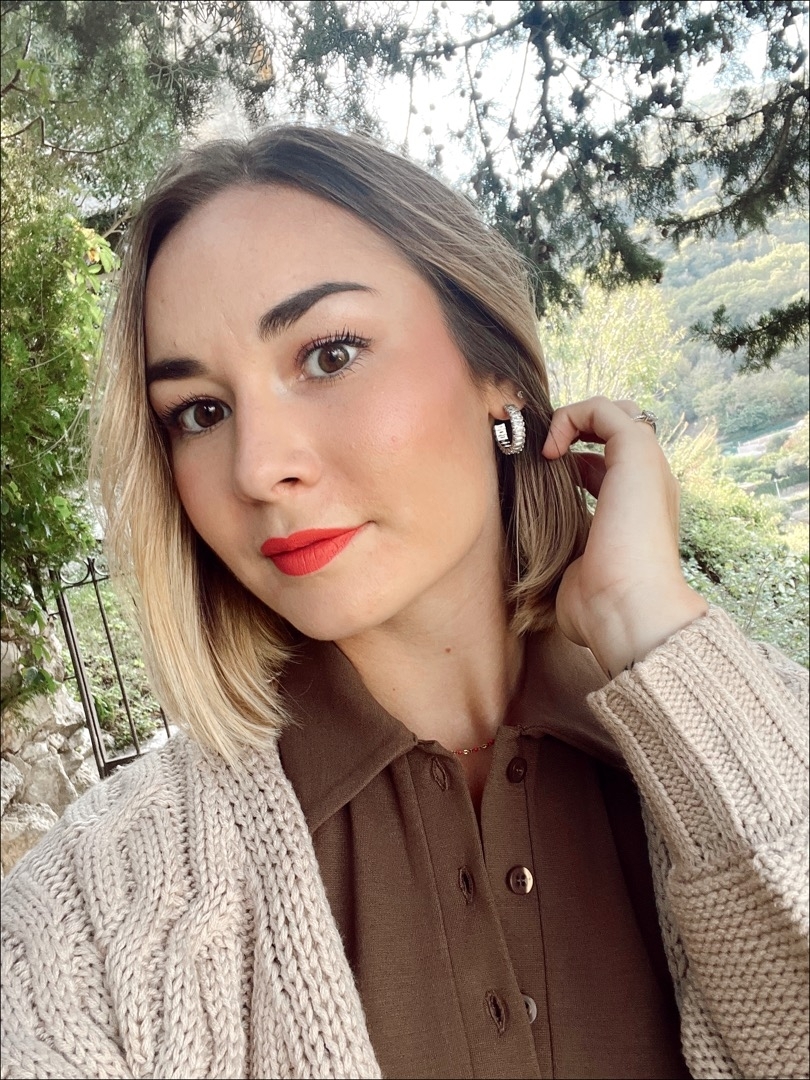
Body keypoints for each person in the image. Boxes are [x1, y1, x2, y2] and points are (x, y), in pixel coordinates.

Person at [1, 125, 807, 1080]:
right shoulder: (82, 925)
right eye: (200, 413)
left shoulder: (756, 742)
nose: (257, 469)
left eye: (329, 356)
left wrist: (651, 629)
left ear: (492, 367)